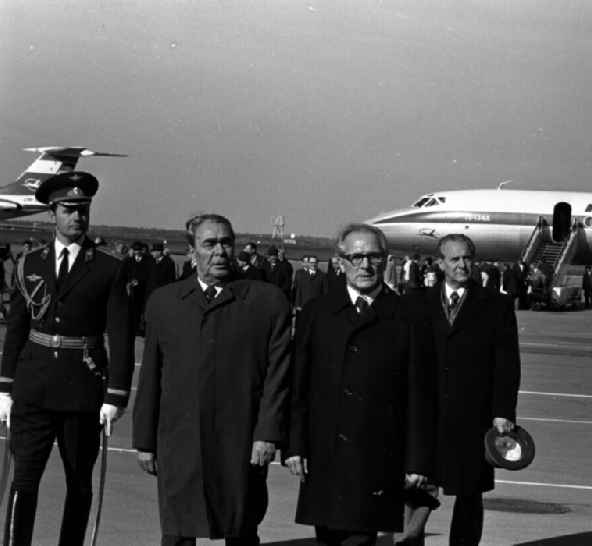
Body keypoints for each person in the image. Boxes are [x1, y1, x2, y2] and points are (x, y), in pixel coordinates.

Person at [133, 213, 293, 545]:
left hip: (241, 439)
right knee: (178, 529)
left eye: (226, 243)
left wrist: (267, 435)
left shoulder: (266, 301)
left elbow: (278, 375)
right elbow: (150, 376)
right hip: (180, 439)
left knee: (241, 527)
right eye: (209, 244)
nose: (219, 251)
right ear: (191, 251)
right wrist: (145, 440)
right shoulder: (165, 302)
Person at [0, 171, 135, 545]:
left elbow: (121, 336)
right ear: (52, 214)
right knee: (23, 481)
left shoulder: (109, 265)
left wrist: (115, 395)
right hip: (32, 389)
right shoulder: (30, 262)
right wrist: (5, 387)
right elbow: (16, 330)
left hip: (82, 391)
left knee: (79, 484)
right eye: (69, 210)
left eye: (83, 210)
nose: (78, 217)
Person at [286, 223, 434, 546]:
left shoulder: (408, 318)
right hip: (324, 454)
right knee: (327, 538)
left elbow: (420, 396)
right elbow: (299, 385)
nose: (365, 265)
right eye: (356, 257)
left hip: (378, 456)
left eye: (373, 257)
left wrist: (418, 460)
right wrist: (295, 444)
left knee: (361, 539)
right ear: (340, 262)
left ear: (386, 260)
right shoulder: (317, 313)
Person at [406, 233, 520, 546]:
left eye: (467, 258)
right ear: (440, 263)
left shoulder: (495, 305)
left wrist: (502, 412)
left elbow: (507, 364)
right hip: (425, 414)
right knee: (417, 489)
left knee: (470, 493)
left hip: (473, 416)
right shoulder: (416, 302)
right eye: (454, 259)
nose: (462, 265)